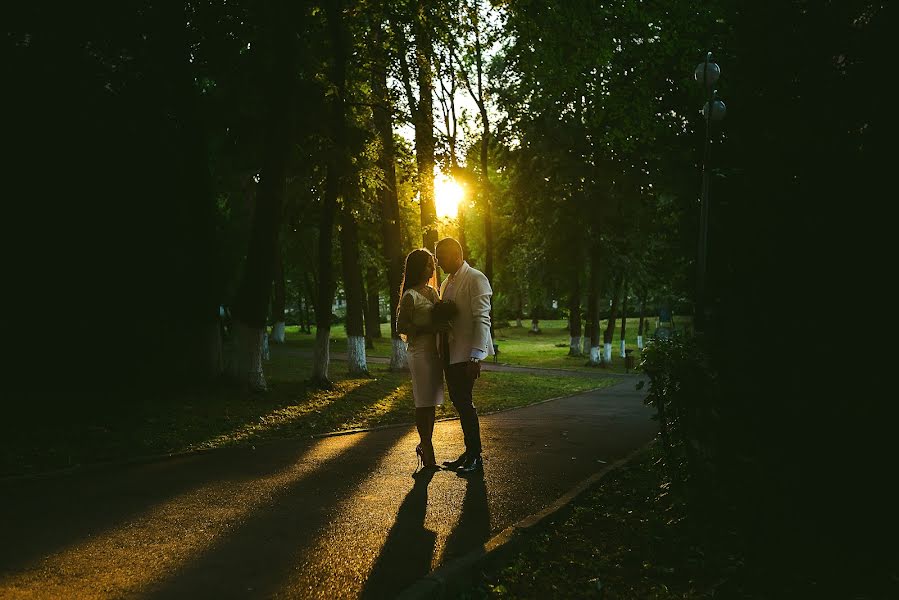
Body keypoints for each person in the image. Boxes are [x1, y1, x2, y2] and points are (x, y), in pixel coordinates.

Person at [435, 237, 493, 474]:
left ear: (456, 256)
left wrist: (476, 356)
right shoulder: (446, 283)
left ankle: (475, 456)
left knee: (465, 403)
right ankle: (469, 452)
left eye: (442, 257)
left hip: (467, 355)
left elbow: (483, 318)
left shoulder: (476, 278)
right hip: (450, 353)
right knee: (460, 403)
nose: (438, 262)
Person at [396, 248, 445, 473]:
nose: (432, 268)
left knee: (432, 401)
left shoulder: (433, 292)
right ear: (418, 268)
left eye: (432, 265)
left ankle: (426, 447)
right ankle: (428, 451)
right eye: (427, 265)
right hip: (419, 352)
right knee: (422, 401)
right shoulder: (410, 296)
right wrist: (427, 328)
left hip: (434, 352)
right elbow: (401, 326)